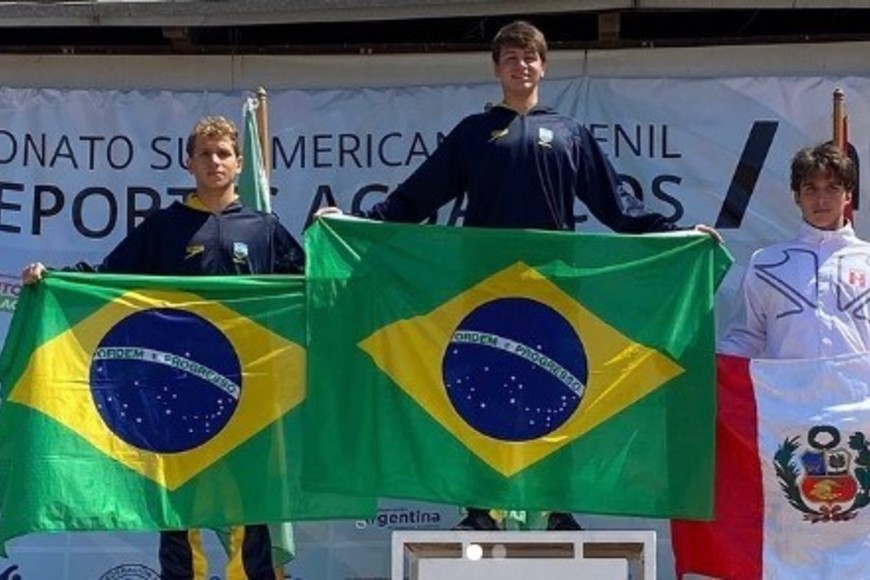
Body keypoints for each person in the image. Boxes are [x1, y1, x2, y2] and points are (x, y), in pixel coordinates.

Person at [320, 20, 720, 531]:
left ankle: (557, 507)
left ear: (543, 67)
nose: (521, 66)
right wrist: (356, 223)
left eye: (529, 58)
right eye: (510, 58)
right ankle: (478, 509)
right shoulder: (472, 133)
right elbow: (414, 199)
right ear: (497, 69)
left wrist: (676, 234)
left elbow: (618, 207)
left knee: (560, 395)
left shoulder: (571, 133)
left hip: (553, 288)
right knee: (475, 395)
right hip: (482, 287)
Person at [22, 116, 304, 579]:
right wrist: (52, 278)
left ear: (238, 164)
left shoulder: (264, 228)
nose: (214, 162)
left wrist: (340, 242)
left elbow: (311, 286)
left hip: (248, 390)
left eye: (224, 154)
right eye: (205, 154)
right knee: (179, 509)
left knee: (249, 504)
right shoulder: (165, 227)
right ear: (188, 163)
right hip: (179, 388)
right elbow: (109, 278)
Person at [719, 141, 870, 358]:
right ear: (797, 196)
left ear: (848, 195)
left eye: (832, 188)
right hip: (785, 392)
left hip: (859, 392)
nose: (821, 199)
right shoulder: (765, 264)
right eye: (810, 189)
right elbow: (744, 338)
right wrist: (706, 371)